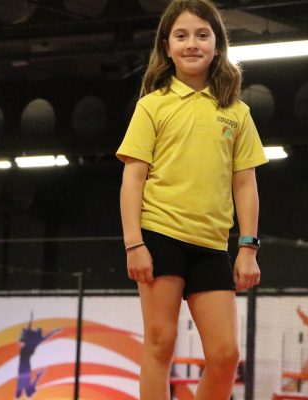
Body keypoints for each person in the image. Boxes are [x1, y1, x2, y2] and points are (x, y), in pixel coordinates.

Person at [116, 0, 268, 398]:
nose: (192, 44)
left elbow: (245, 183)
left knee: (225, 354)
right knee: (160, 344)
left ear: (217, 45)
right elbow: (132, 179)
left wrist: (248, 247)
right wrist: (134, 244)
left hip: (212, 246)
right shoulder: (152, 106)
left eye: (203, 35)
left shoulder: (236, 112)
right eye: (181, 36)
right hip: (160, 236)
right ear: (166, 46)